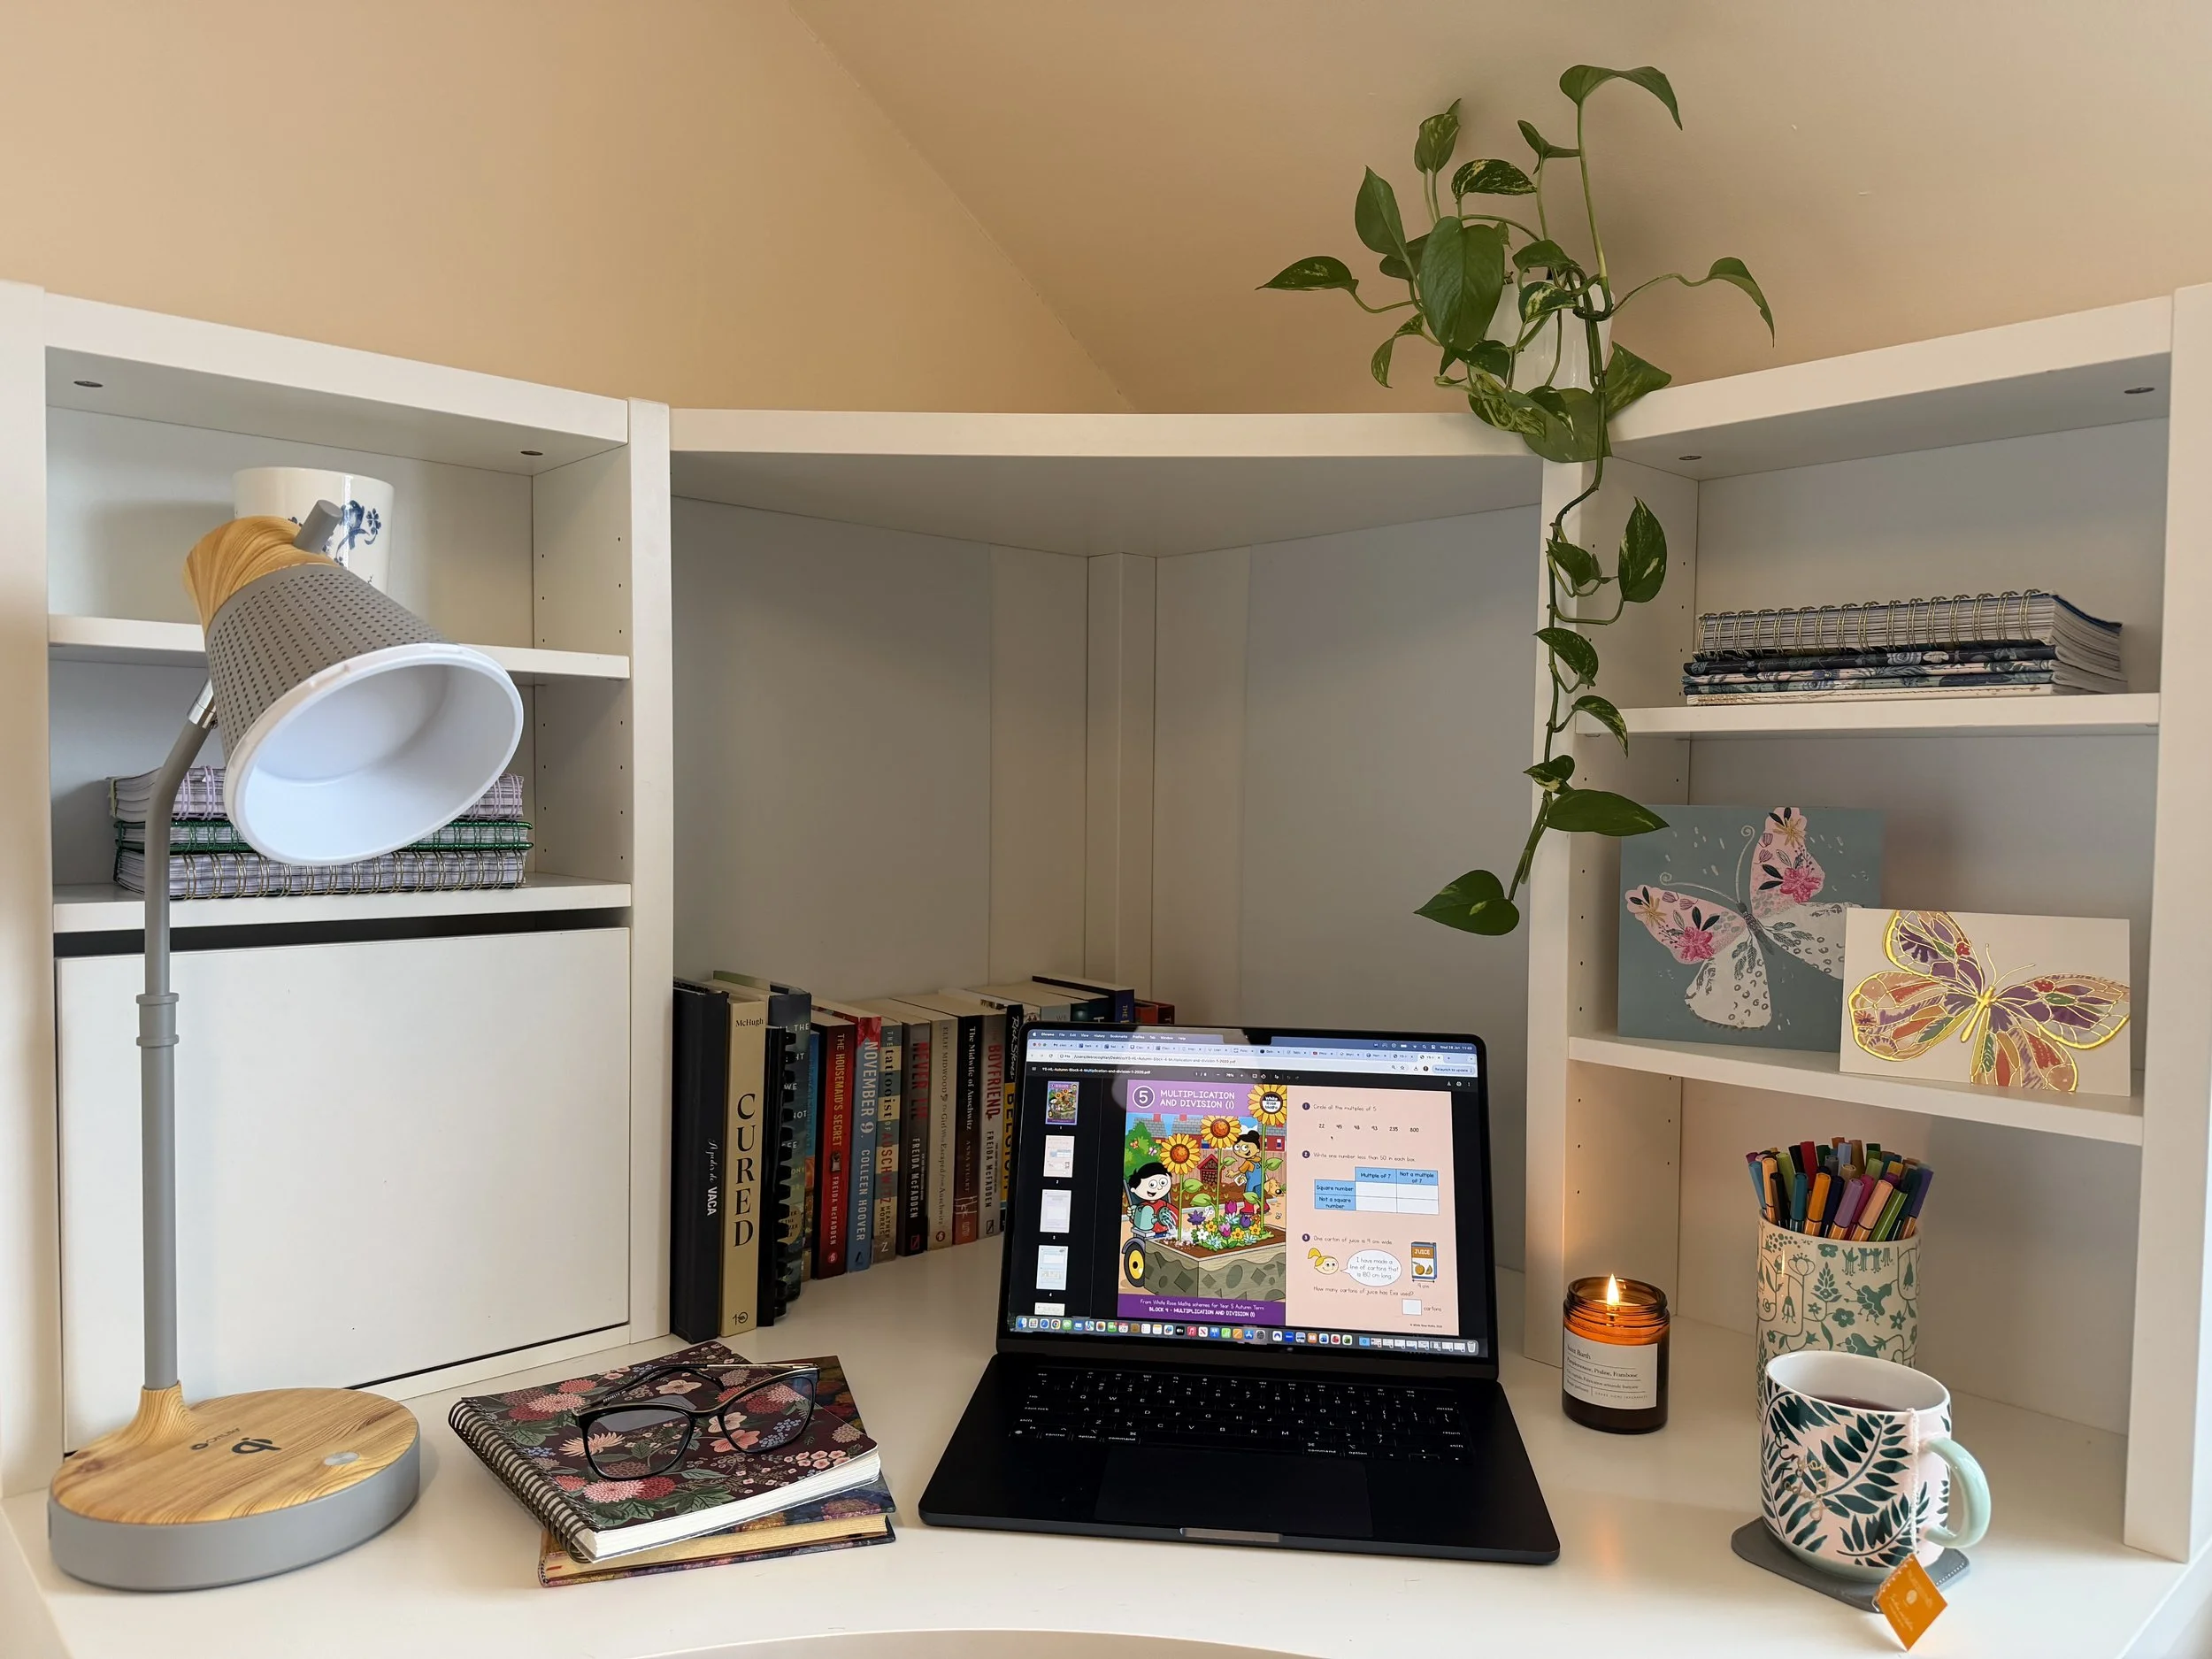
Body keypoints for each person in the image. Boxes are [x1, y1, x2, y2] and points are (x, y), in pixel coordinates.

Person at [1126, 1163, 1177, 1240]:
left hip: (1166, 1232)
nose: (1159, 1188)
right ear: (1134, 1189)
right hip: (1149, 1235)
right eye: (1152, 1185)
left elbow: (1176, 1215)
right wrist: (1132, 1214)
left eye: (1163, 1183)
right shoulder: (1142, 1207)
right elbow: (1136, 1220)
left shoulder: (1164, 1204)